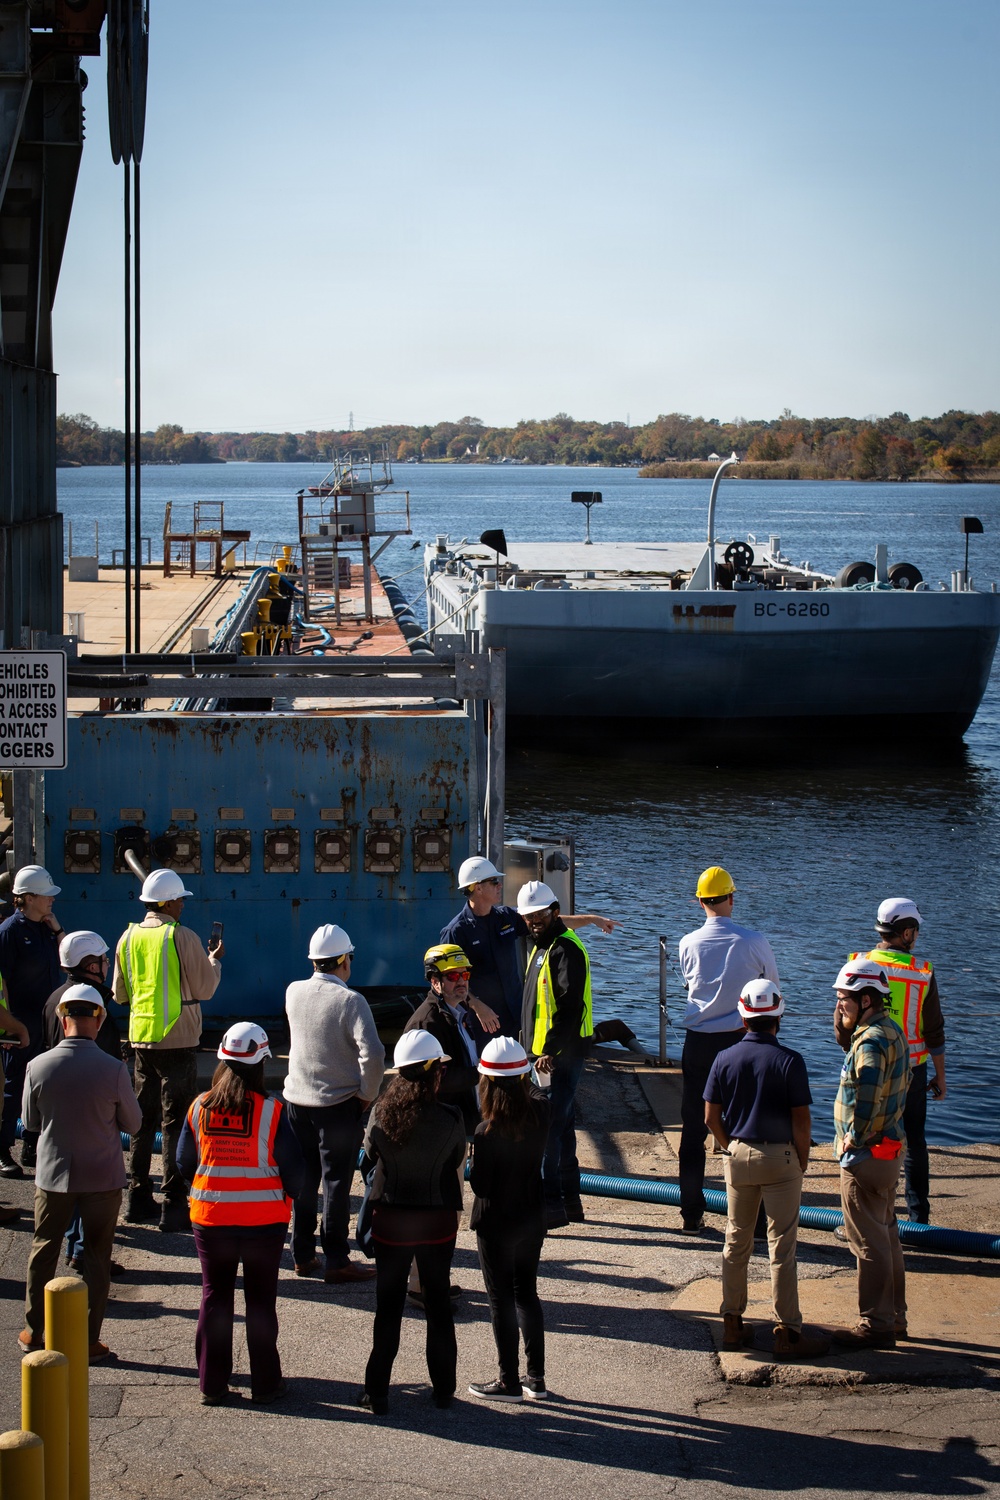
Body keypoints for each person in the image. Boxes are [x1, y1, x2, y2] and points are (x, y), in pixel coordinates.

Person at [177, 1022, 305, 1405]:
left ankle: (211, 1385)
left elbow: (184, 1163)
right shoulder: (273, 1111)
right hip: (264, 1223)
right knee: (260, 1301)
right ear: (263, 1062)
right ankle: (266, 1384)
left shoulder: (199, 1106)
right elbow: (294, 1173)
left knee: (215, 1297)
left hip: (211, 1219)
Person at [704, 979, 829, 1360]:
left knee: (736, 1240)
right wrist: (801, 1161)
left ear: (743, 1016)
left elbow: (710, 1117)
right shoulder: (790, 1061)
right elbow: (802, 1122)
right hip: (782, 1158)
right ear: (779, 1015)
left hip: (739, 1154)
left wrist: (731, 1147)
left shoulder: (724, 1058)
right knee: (782, 1247)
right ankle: (787, 1331)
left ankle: (731, 1323)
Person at [19, 984, 142, 1362]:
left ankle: (33, 1330)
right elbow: (134, 1125)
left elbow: (30, 1122)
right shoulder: (113, 1068)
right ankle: (89, 1338)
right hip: (102, 1177)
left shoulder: (38, 1066)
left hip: (53, 1175)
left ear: (61, 1017)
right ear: (100, 1018)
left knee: (44, 1249)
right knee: (97, 1254)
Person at [358, 1030, 467, 1415]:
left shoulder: (380, 1114)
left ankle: (377, 1391)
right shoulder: (451, 1118)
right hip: (437, 1222)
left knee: (387, 1307)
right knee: (438, 1305)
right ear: (435, 1073)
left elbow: (370, 1157)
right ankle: (443, 1390)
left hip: (392, 1221)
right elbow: (456, 1159)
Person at [113, 867, 223, 1232]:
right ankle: (174, 1205)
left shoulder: (126, 938)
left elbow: (120, 995)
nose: (182, 905)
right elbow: (205, 989)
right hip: (179, 1040)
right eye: (180, 899)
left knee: (141, 1122)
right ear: (168, 902)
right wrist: (214, 960)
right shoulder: (182, 937)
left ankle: (137, 1197)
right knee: (175, 1123)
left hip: (141, 1039)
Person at [677, 865, 780, 1234]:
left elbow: (691, 982)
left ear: (700, 901)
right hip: (742, 1040)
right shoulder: (754, 941)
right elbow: (771, 991)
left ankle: (691, 1213)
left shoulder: (687, 942)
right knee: (748, 1128)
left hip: (699, 1043)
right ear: (731, 898)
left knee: (694, 1128)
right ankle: (751, 1221)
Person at [283, 923, 383, 1283]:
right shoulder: (351, 1001)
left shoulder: (293, 992)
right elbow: (373, 1054)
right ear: (343, 961)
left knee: (305, 1180)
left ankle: (302, 1254)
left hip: (297, 1101)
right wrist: (366, 1095)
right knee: (337, 1183)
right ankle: (337, 1259)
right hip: (336, 1105)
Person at [841, 897, 945, 1224]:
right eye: (915, 931)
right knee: (913, 1143)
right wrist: (940, 1076)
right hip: (911, 1071)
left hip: (866, 1064)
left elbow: (842, 1024)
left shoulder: (858, 963)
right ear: (907, 933)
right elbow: (935, 1031)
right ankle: (918, 1220)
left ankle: (865, 1215)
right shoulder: (921, 974)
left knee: (862, 1136)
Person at [441, 856, 616, 1039]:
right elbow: (447, 981)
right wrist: (477, 1006)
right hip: (482, 1021)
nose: (500, 885)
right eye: (494, 881)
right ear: (478, 887)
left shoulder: (505, 917)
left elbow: (551, 922)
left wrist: (591, 919)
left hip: (515, 1014)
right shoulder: (456, 932)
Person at [830, 958, 911, 1350]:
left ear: (865, 999)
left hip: (867, 1157)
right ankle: (895, 1317)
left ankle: (875, 1325)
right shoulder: (892, 1031)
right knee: (888, 1236)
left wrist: (854, 1138)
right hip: (889, 1151)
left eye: (844, 998)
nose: (839, 1005)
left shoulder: (872, 1043)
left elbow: (867, 1094)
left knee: (868, 1242)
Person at [467, 1037, 551, 1401]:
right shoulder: (541, 1113)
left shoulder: (485, 1133)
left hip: (495, 1224)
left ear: (486, 1081)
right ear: (521, 1078)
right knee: (526, 1294)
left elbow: (481, 1186)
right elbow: (538, 1094)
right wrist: (533, 1076)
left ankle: (508, 1381)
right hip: (532, 1217)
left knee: (500, 1299)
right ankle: (537, 1379)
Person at [44, 931, 124, 1271]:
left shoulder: (54, 998)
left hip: (59, 1102)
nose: (107, 965)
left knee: (68, 1177)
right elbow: (103, 1059)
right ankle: (84, 1253)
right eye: (104, 960)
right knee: (91, 1183)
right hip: (91, 1104)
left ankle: (72, 1247)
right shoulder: (93, 1004)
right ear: (91, 965)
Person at [518, 880, 594, 1230]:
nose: (534, 920)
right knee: (560, 1128)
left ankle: (550, 1205)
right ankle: (568, 1203)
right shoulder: (541, 946)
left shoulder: (564, 949)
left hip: (559, 1056)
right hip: (544, 1055)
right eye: (529, 916)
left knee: (549, 1129)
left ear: (554, 911)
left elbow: (569, 1006)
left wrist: (549, 1051)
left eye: (539, 914)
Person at [0, 865, 64, 1177]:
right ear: (27, 897)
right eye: (46, 895)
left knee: (41, 1087)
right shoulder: (10, 932)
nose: (52, 900)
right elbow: (3, 983)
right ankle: (2, 1150)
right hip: (21, 1023)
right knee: (13, 1087)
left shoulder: (46, 930)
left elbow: (67, 963)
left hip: (47, 1021)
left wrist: (58, 930)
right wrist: (11, 1025)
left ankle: (31, 1144)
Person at [405, 945, 490, 1134]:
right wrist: (480, 1073)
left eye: (464, 975)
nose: (461, 981)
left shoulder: (459, 1013)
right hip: (439, 1128)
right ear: (435, 982)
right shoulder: (426, 1024)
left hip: (460, 1120)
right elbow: (430, 1080)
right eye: (452, 976)